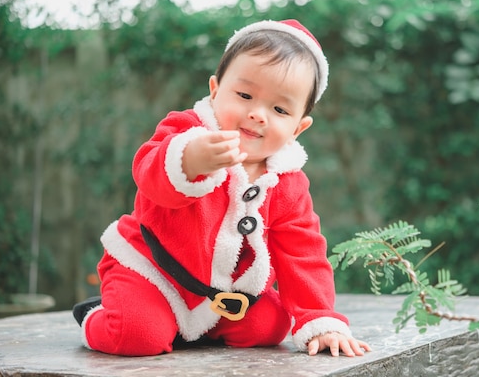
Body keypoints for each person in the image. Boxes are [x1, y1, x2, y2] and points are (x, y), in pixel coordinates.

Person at [73, 19, 371, 358]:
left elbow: (303, 253)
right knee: (137, 335)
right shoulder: (188, 132)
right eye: (244, 95)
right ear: (215, 90)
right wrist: (189, 161)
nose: (258, 114)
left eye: (279, 109)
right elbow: (148, 173)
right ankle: (98, 315)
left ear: (298, 128)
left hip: (219, 294)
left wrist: (321, 319)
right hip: (151, 271)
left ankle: (188, 328)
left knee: (270, 326)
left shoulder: (288, 182)